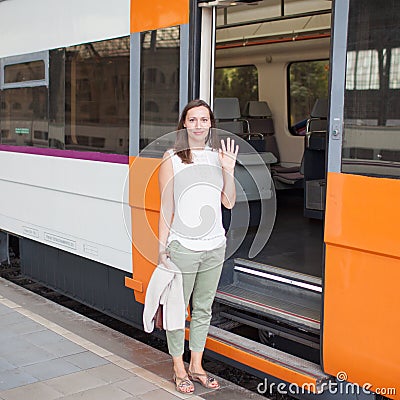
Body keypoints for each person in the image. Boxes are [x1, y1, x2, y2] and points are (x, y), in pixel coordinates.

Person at [158, 99, 238, 394]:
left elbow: (228, 201)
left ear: (210, 124)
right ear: (184, 124)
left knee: (203, 309)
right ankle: (178, 367)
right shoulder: (172, 157)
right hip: (182, 246)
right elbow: (166, 206)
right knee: (178, 309)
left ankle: (196, 365)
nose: (198, 125)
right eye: (192, 120)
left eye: (204, 120)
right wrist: (161, 247)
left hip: (215, 245)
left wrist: (228, 170)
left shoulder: (218, 157)